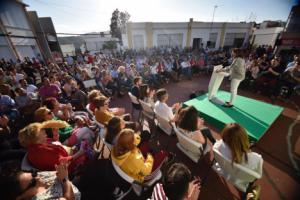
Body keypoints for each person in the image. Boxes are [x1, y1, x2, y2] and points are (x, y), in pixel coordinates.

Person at [18, 121, 87, 172]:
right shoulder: (39, 152)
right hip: (70, 168)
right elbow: (62, 164)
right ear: (34, 137)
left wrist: (56, 135)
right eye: (41, 130)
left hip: (71, 153)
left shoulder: (41, 141)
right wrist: (80, 152)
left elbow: (56, 145)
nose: (44, 130)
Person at [1, 161, 81, 200]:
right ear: (19, 197)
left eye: (33, 173)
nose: (38, 178)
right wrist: (65, 179)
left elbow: (57, 173)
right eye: (33, 182)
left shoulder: (37, 179)